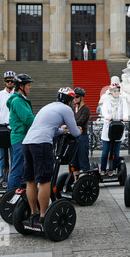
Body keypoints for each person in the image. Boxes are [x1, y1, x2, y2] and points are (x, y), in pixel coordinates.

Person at [22, 87, 82, 225]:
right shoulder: (66, 109)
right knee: (44, 180)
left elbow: (48, 127)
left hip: (28, 142)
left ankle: (33, 213)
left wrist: (61, 130)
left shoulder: (48, 106)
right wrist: (78, 130)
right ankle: (43, 215)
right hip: (42, 144)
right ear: (70, 100)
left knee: (31, 180)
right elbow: (74, 132)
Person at [6, 74, 35, 190]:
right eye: (28, 85)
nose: (30, 87)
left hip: (23, 137)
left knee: (20, 167)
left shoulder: (20, 100)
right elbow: (28, 119)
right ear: (21, 86)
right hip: (20, 138)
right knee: (17, 169)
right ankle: (11, 195)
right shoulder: (18, 101)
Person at [0, 71, 16, 184]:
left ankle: (14, 176)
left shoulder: (18, 94)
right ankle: (3, 177)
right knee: (2, 155)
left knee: (14, 154)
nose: (9, 82)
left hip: (13, 129)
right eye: (7, 80)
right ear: (4, 81)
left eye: (11, 80)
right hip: (1, 128)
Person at [100, 83, 129, 173]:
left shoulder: (122, 100)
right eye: (115, 91)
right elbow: (104, 111)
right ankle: (103, 169)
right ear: (111, 92)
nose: (116, 92)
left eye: (118, 90)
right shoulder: (107, 101)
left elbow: (125, 111)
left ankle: (115, 169)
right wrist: (107, 116)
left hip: (118, 128)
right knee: (105, 152)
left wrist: (125, 117)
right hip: (109, 127)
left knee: (116, 152)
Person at [72, 87, 91, 177]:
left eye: (77, 97)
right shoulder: (72, 108)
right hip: (73, 136)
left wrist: (69, 124)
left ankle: (86, 179)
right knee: (74, 161)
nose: (75, 99)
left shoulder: (85, 109)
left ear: (82, 97)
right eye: (73, 97)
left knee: (83, 159)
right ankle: (76, 182)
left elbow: (80, 121)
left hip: (82, 137)